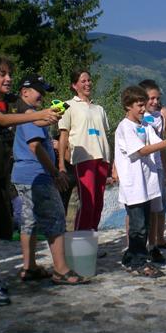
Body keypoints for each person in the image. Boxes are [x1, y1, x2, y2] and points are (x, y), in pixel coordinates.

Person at [0, 55, 61, 306]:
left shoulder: (11, 101)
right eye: (2, 74)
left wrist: (51, 116)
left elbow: (33, 118)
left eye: (9, 74)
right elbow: (3, 120)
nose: (8, 78)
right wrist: (39, 114)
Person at [11, 74, 87, 285]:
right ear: (25, 92)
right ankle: (61, 270)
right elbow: (35, 147)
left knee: (29, 221)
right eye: (39, 91)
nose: (42, 96)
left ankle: (29, 267)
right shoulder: (29, 114)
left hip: (23, 175)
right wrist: (54, 173)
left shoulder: (25, 114)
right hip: (37, 175)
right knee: (55, 216)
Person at [113, 85, 166, 277]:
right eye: (139, 105)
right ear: (128, 106)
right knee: (138, 227)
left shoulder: (144, 125)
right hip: (134, 186)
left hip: (146, 185)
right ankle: (138, 262)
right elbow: (141, 150)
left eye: (144, 105)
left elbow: (157, 141)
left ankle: (130, 257)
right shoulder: (125, 127)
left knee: (144, 224)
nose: (143, 109)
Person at [57, 70, 112, 232]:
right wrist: (61, 164)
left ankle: (92, 238)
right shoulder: (68, 106)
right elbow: (63, 136)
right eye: (83, 81)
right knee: (88, 202)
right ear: (74, 85)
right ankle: (80, 240)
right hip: (83, 158)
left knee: (98, 204)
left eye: (89, 80)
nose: (88, 84)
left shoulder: (99, 109)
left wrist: (112, 164)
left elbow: (105, 136)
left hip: (102, 158)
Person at [138, 79, 166, 263]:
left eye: (158, 98)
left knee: (159, 206)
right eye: (151, 98)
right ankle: (136, 245)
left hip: (158, 166)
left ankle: (157, 240)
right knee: (138, 209)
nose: (155, 102)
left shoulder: (159, 116)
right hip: (143, 167)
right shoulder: (137, 118)